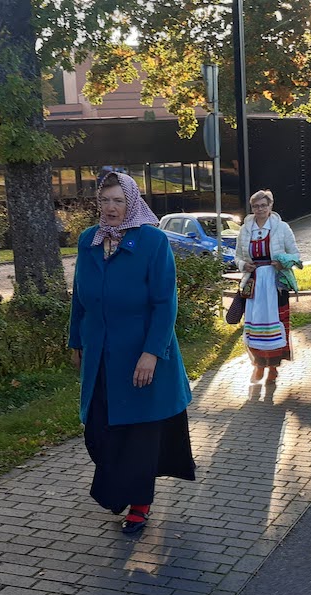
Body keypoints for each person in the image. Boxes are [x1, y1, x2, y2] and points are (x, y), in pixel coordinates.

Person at [68, 171, 196, 534]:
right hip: (100, 354)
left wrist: (152, 353)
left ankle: (139, 504)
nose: (110, 208)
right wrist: (75, 339)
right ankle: (119, 487)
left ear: (132, 203)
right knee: (99, 430)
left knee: (139, 435)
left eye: (118, 201)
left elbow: (164, 302)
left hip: (141, 356)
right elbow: (79, 296)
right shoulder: (88, 240)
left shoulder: (152, 241)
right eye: (105, 200)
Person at [234, 190, 302, 384]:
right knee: (254, 325)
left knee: (276, 323)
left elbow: (295, 255)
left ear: (271, 206)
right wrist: (242, 265)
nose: (260, 209)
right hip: (254, 283)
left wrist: (283, 263)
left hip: (275, 283)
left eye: (264, 205)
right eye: (256, 206)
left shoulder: (282, 228)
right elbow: (237, 256)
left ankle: (272, 367)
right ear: (252, 208)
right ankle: (257, 365)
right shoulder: (245, 230)